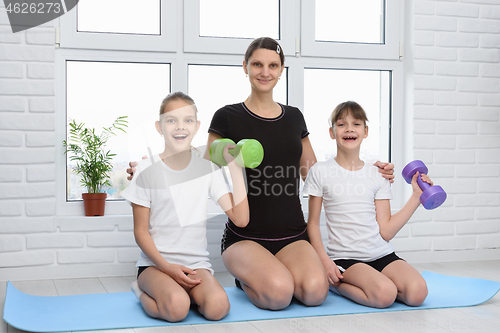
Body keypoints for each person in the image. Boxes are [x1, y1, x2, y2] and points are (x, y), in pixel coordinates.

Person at [127, 37, 395, 311]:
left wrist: (365, 170)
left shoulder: (294, 118)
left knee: (316, 293)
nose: (265, 71)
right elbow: (201, 162)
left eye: (273, 65)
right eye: (257, 64)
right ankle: (246, 280)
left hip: (293, 235)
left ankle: (277, 273)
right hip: (244, 238)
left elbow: (315, 173)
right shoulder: (227, 116)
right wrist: (151, 165)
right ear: (245, 67)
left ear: (281, 71)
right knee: (279, 296)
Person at [122, 92, 249, 322]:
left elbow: (240, 219)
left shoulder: (209, 169)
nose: (180, 126)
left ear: (197, 126)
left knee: (218, 308)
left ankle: (187, 295)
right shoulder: (145, 169)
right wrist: (168, 268)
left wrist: (235, 167)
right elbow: (140, 232)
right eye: (171, 120)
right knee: (177, 309)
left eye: (187, 120)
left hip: (196, 266)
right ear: (159, 127)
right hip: (156, 265)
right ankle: (140, 291)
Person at [304, 101, 428, 309]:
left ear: (366, 131)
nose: (350, 128)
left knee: (417, 294)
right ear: (332, 132)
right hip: (346, 258)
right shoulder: (320, 171)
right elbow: (313, 224)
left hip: (382, 254)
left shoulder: (378, 174)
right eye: (342, 124)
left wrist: (417, 196)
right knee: (385, 295)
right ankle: (337, 285)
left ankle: (377, 284)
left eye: (357, 124)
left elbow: (386, 231)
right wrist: (325, 262)